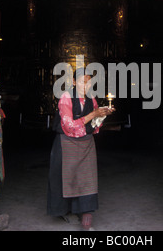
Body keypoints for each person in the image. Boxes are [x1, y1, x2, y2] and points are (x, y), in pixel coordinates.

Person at [47, 68, 115, 230]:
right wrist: (93, 115)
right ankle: (65, 210)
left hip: (86, 144)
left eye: (89, 81)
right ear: (75, 82)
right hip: (66, 143)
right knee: (66, 178)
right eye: (83, 81)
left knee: (87, 179)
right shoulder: (66, 98)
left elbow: (95, 124)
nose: (87, 84)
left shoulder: (91, 99)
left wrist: (102, 115)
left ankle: (86, 213)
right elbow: (68, 125)